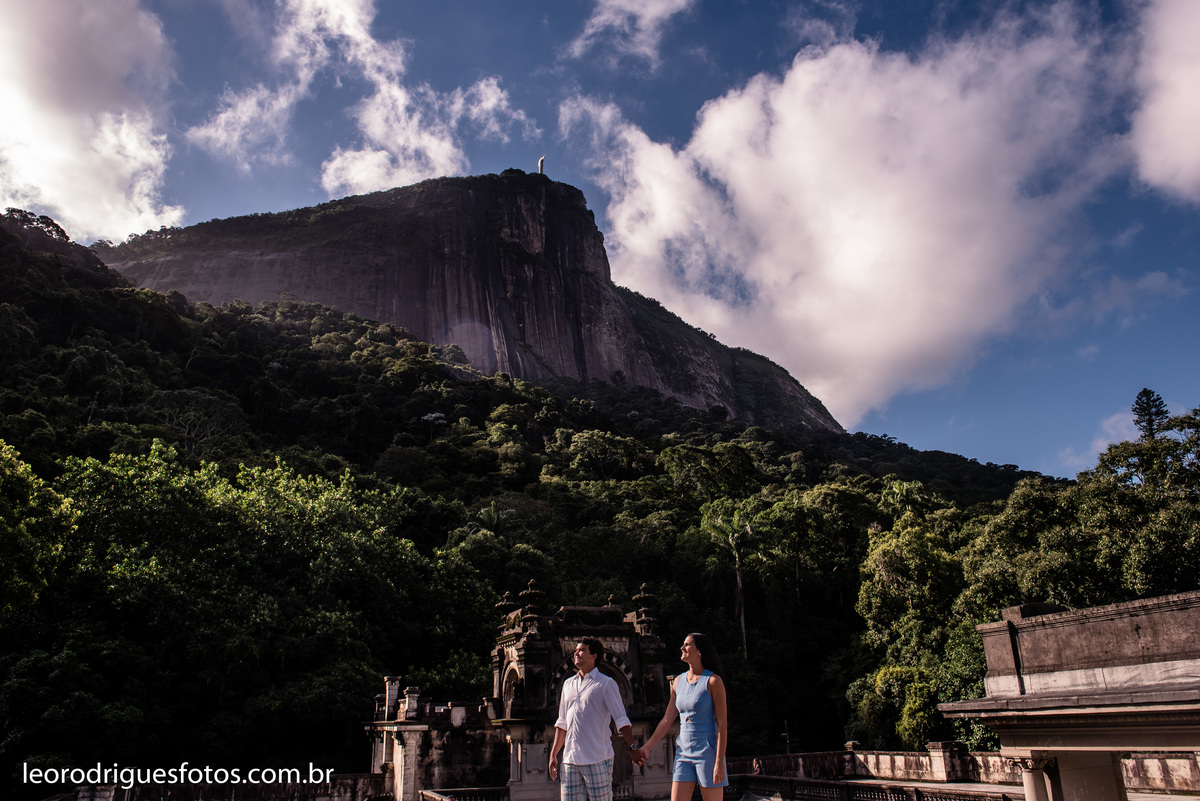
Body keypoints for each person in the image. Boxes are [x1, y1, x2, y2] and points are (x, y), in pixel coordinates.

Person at [633, 633, 728, 801]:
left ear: (700, 651)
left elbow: (722, 724)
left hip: (708, 752)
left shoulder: (713, 681)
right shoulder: (678, 681)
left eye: (687, 644)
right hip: (683, 751)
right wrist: (647, 747)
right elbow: (667, 720)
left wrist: (719, 762)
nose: (682, 648)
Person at [549, 638, 639, 801]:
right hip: (570, 759)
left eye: (581, 650)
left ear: (594, 656)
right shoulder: (568, 684)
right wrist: (554, 754)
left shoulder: (606, 684)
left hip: (597, 757)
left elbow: (621, 720)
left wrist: (633, 748)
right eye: (576, 650)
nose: (576, 653)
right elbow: (562, 723)